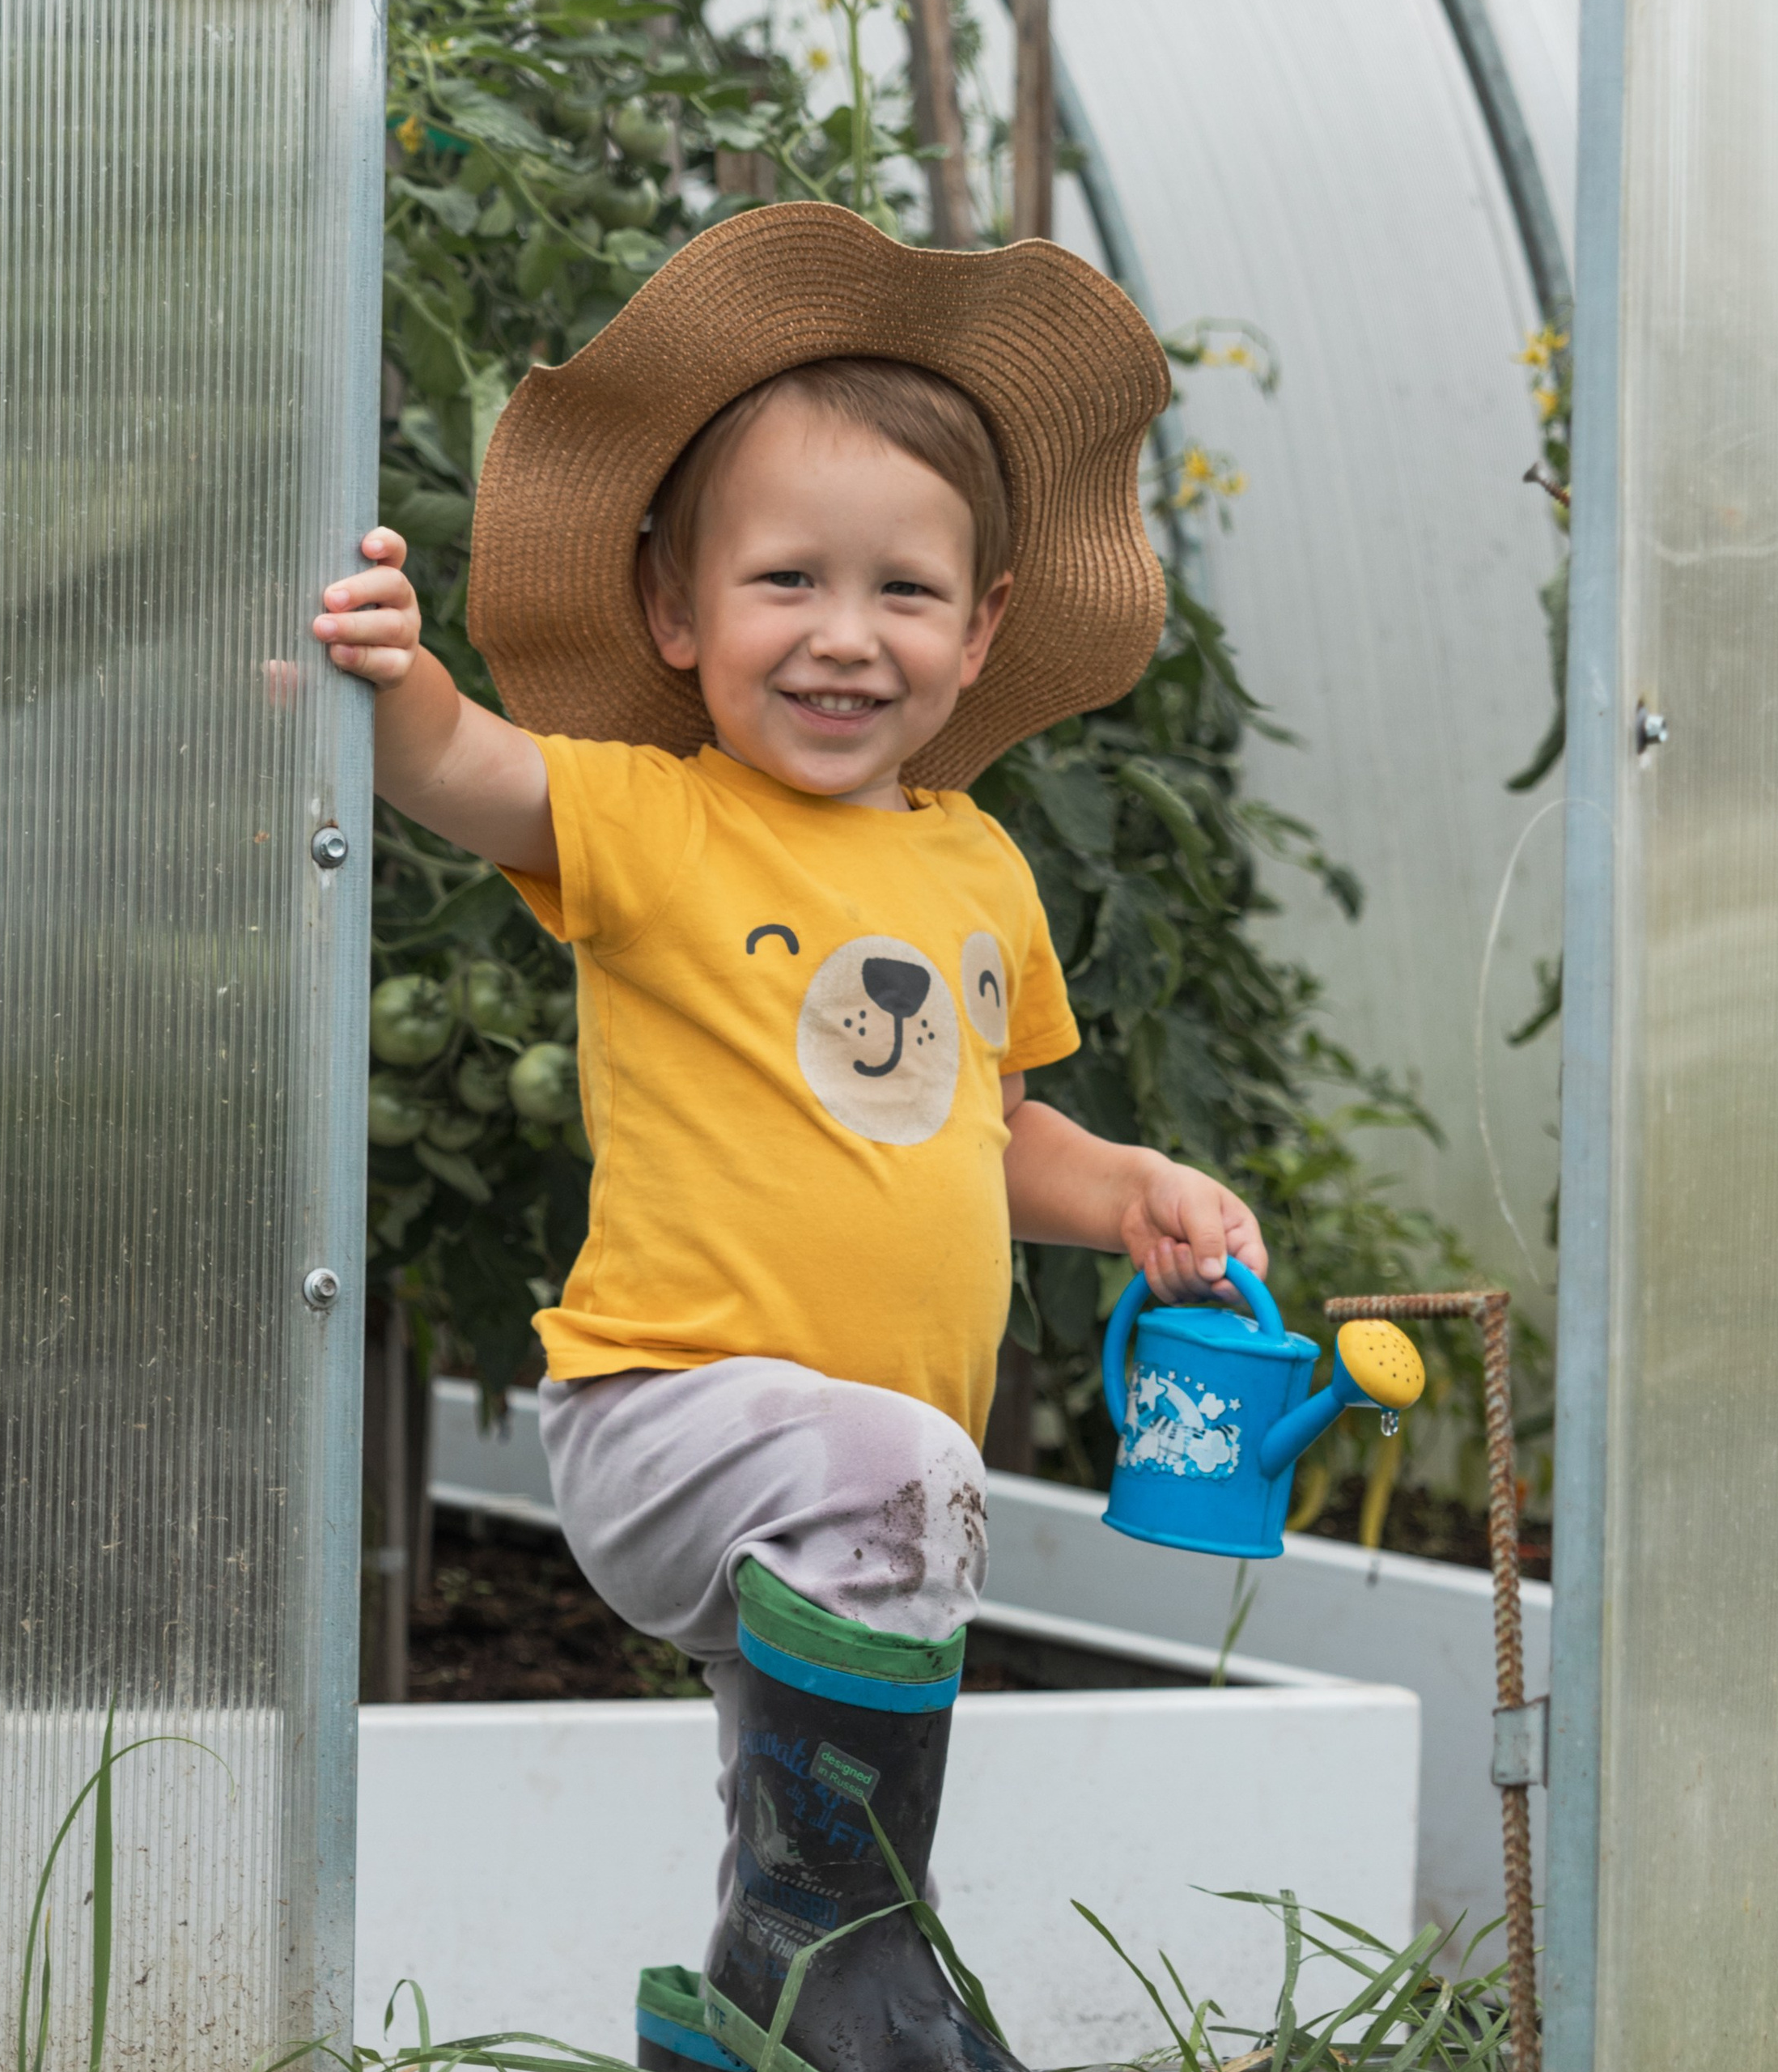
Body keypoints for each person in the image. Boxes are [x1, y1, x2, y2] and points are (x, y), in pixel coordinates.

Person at [312, 203, 1267, 2072]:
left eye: (904, 592)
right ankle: (836, 1978)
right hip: (670, 1412)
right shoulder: (656, 818)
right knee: (891, 1520)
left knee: (832, 1821)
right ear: (675, 608)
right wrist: (392, 672)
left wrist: (1133, 1186)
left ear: (981, 627)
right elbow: (465, 769)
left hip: (864, 1509)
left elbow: (987, 1132)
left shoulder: (974, 864)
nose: (846, 639)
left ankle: (776, 2018)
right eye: (784, 584)